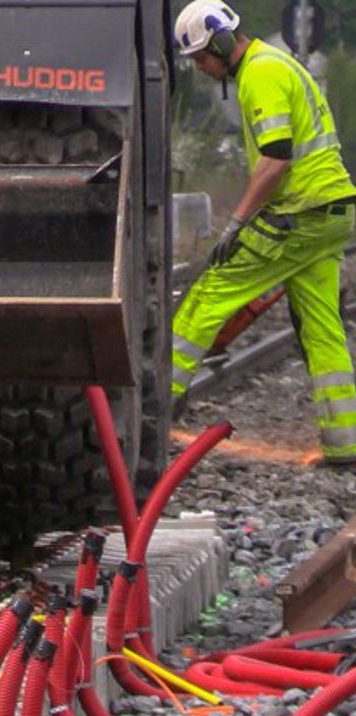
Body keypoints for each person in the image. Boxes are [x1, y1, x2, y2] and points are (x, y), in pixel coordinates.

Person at [170, 0, 356, 466]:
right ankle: (345, 442)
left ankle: (150, 415)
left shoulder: (261, 73)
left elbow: (276, 158)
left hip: (300, 212)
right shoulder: (275, 65)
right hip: (331, 213)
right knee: (320, 325)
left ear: (222, 43)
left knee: (208, 293)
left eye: (200, 59)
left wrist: (236, 222)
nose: (201, 69)